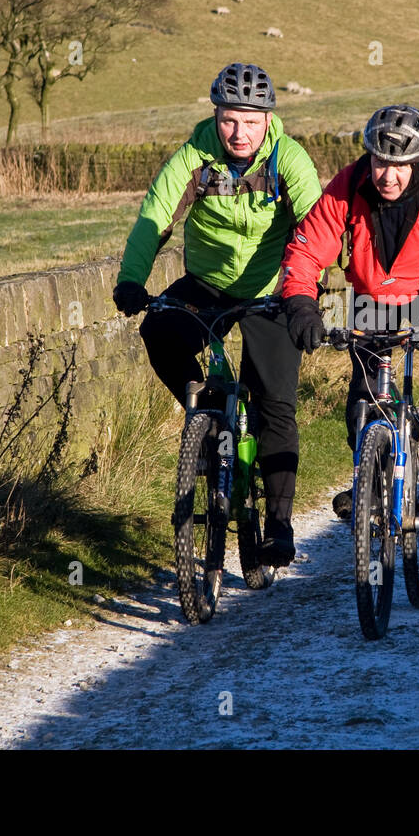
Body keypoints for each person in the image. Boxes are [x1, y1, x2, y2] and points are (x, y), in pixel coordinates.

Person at [111, 63, 322, 567]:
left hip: (273, 291)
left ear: (269, 120)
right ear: (215, 116)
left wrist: (306, 295)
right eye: (230, 120)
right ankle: (204, 411)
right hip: (206, 285)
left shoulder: (289, 160)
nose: (240, 133)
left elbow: (319, 227)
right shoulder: (194, 158)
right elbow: (153, 220)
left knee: (274, 401)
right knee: (159, 329)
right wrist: (131, 280)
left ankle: (278, 522)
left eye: (251, 121)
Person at [279, 105, 419, 531]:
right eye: (381, 162)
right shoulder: (348, 184)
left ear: (417, 162)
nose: (388, 176)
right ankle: (371, 476)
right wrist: (301, 304)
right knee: (364, 394)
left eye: (400, 166)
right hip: (373, 301)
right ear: (369, 157)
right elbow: (307, 252)